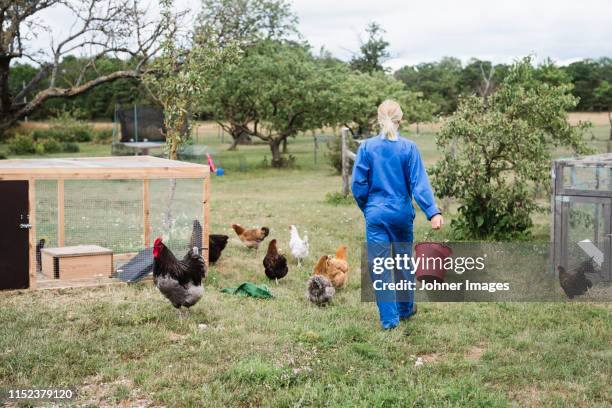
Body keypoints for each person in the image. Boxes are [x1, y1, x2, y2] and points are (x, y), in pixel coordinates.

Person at [351, 99, 443, 330]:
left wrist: (369, 208)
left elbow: (358, 185)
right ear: (400, 120)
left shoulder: (366, 147)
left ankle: (389, 321)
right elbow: (419, 183)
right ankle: (405, 309)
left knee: (379, 267)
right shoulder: (409, 148)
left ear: (379, 119)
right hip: (401, 213)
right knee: (403, 263)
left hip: (376, 214)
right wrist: (433, 212)